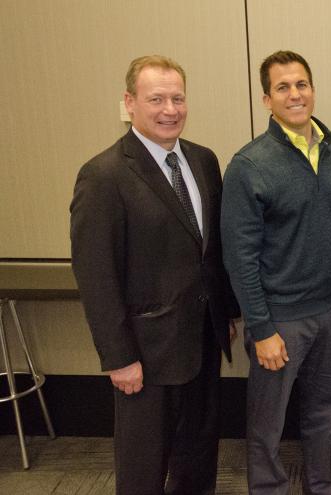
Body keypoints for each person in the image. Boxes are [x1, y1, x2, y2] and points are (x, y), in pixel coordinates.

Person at [70, 54, 239, 495]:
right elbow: (96, 277)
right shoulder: (103, 176)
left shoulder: (203, 160)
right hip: (144, 355)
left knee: (198, 455)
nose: (170, 109)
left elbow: (211, 250)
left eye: (178, 98)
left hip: (202, 340)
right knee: (144, 467)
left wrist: (229, 313)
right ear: (129, 102)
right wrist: (118, 357)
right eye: (156, 99)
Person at [220, 50, 331, 495]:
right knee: (268, 422)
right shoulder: (249, 165)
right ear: (266, 100)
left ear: (313, 91)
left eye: (301, 84)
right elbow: (238, 256)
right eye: (282, 87)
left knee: (325, 411)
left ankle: (320, 485)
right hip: (278, 318)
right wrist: (261, 328)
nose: (295, 94)